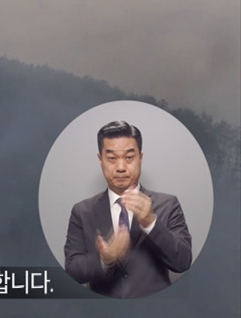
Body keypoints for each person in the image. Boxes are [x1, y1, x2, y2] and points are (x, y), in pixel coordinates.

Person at [63, 120, 193, 298]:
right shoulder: (82, 211)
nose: (121, 167)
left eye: (129, 157)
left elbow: (183, 262)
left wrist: (150, 223)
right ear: (100, 160)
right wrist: (105, 260)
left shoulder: (168, 204)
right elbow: (71, 271)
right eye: (111, 158)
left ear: (141, 157)